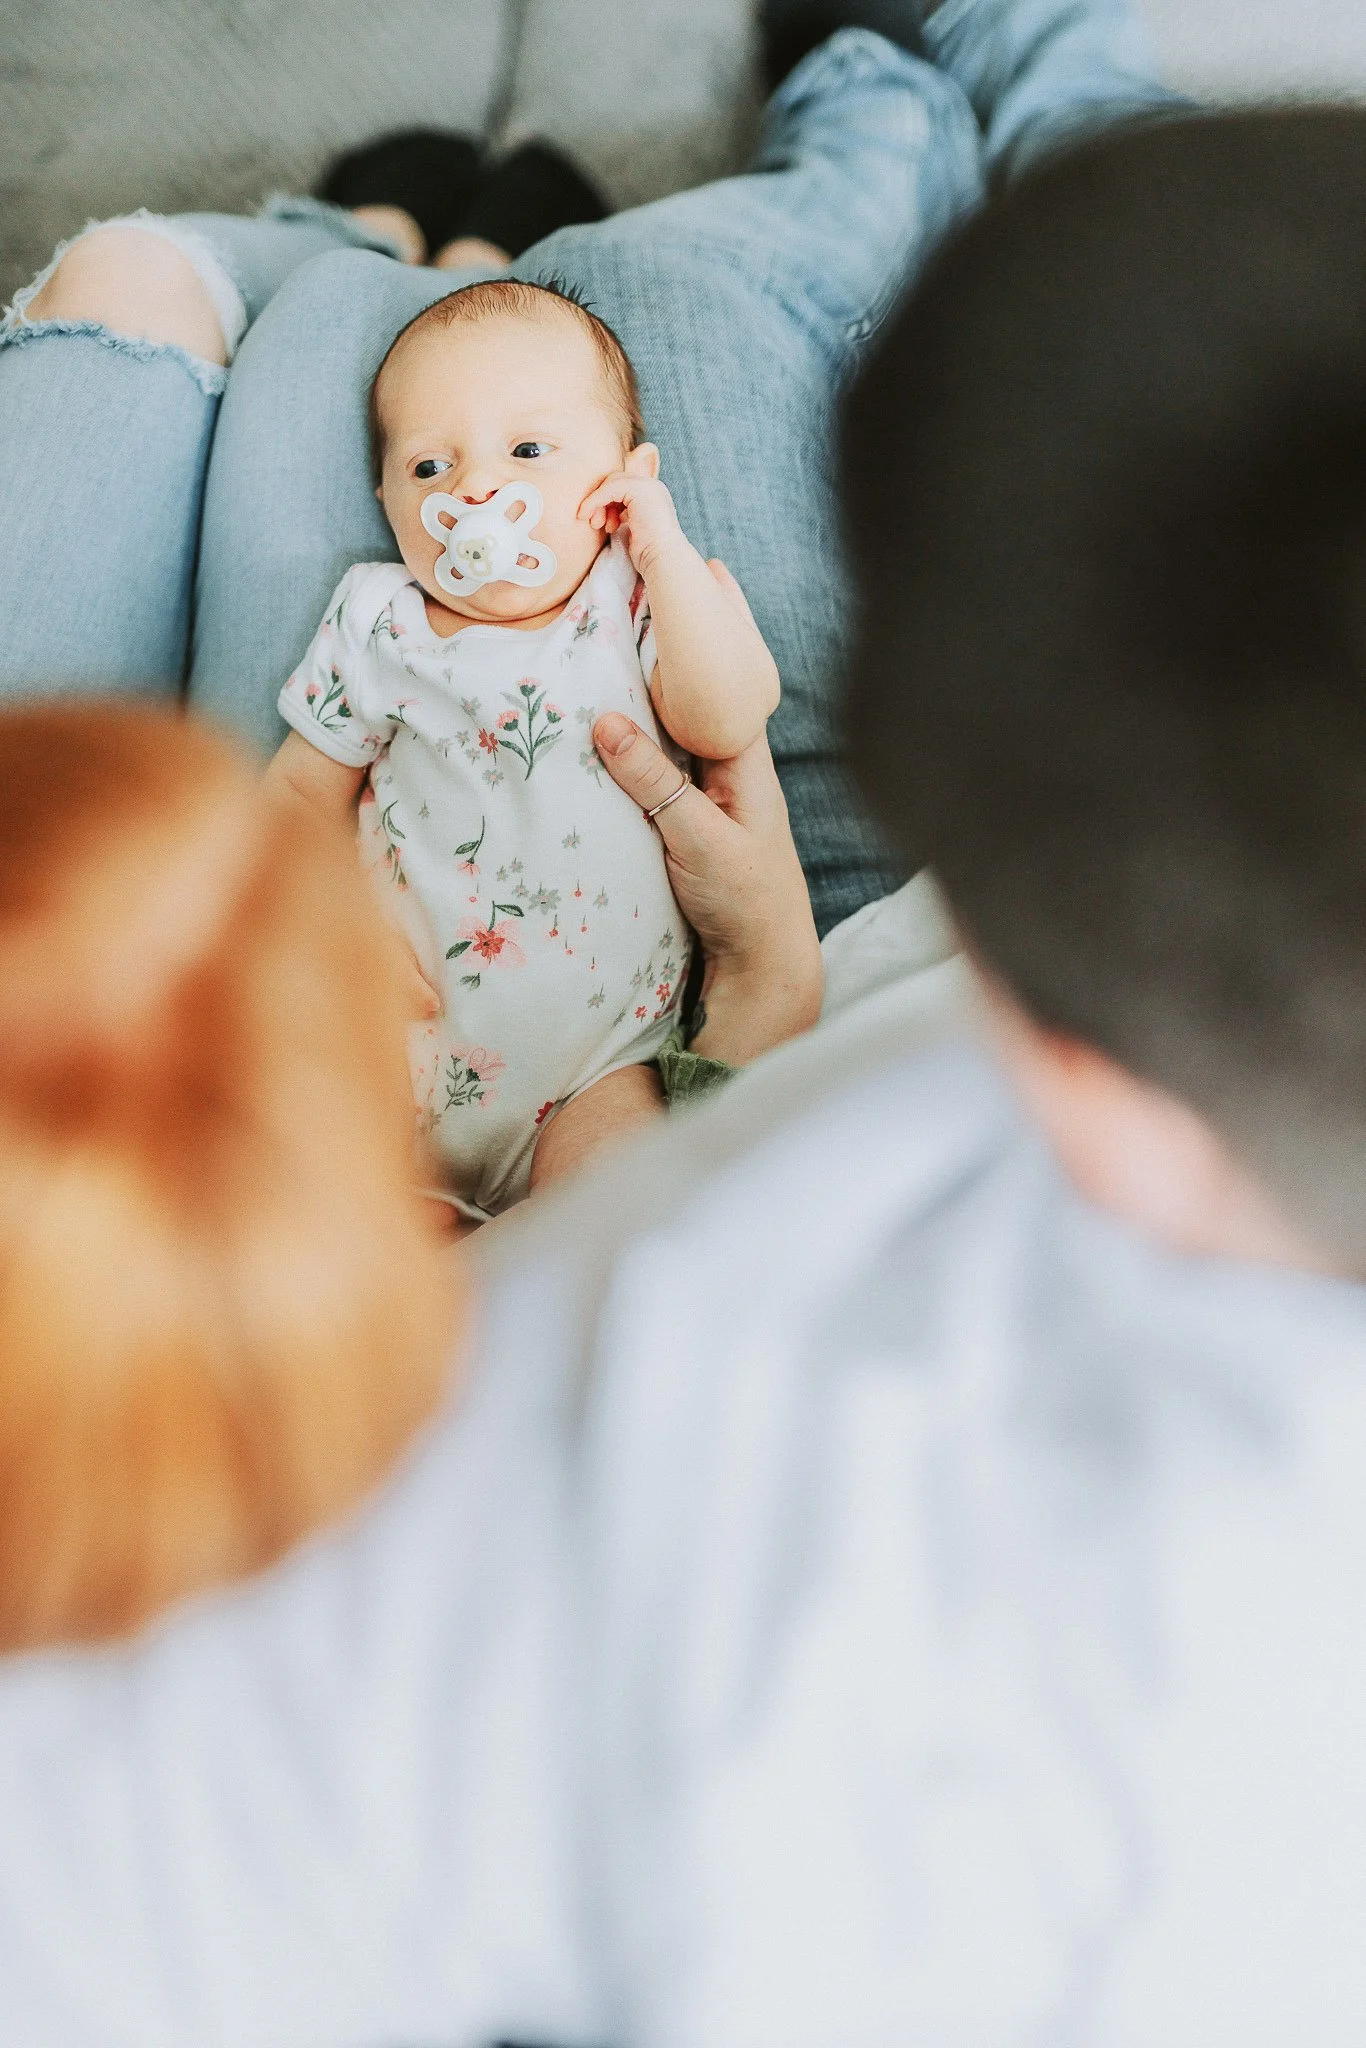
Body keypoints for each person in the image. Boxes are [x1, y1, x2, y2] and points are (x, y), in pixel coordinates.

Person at [0, 5, 1204, 2043]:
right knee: (566, 323)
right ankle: (522, 231)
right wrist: (748, 976)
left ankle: (407, 234)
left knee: (241, 315)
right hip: (492, 1030)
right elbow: (763, 1041)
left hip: (244, 1015)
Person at [268, 279, 779, 1215]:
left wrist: (662, 548)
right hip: (392, 1045)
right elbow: (292, 801)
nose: (475, 490)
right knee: (342, 1216)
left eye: (529, 451)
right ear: (383, 498)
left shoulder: (629, 598)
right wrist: (330, 918)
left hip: (592, 1075)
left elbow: (726, 720)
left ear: (625, 477)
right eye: (428, 469)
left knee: (600, 1206)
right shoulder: (378, 621)